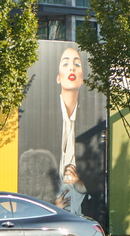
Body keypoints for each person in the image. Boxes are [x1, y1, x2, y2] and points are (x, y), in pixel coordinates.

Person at [55, 47, 87, 215]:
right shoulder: (48, 120)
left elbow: (92, 192)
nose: (72, 68)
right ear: (58, 77)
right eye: (66, 63)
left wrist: (78, 182)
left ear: (82, 79)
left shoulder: (87, 122)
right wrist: (52, 207)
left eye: (77, 64)